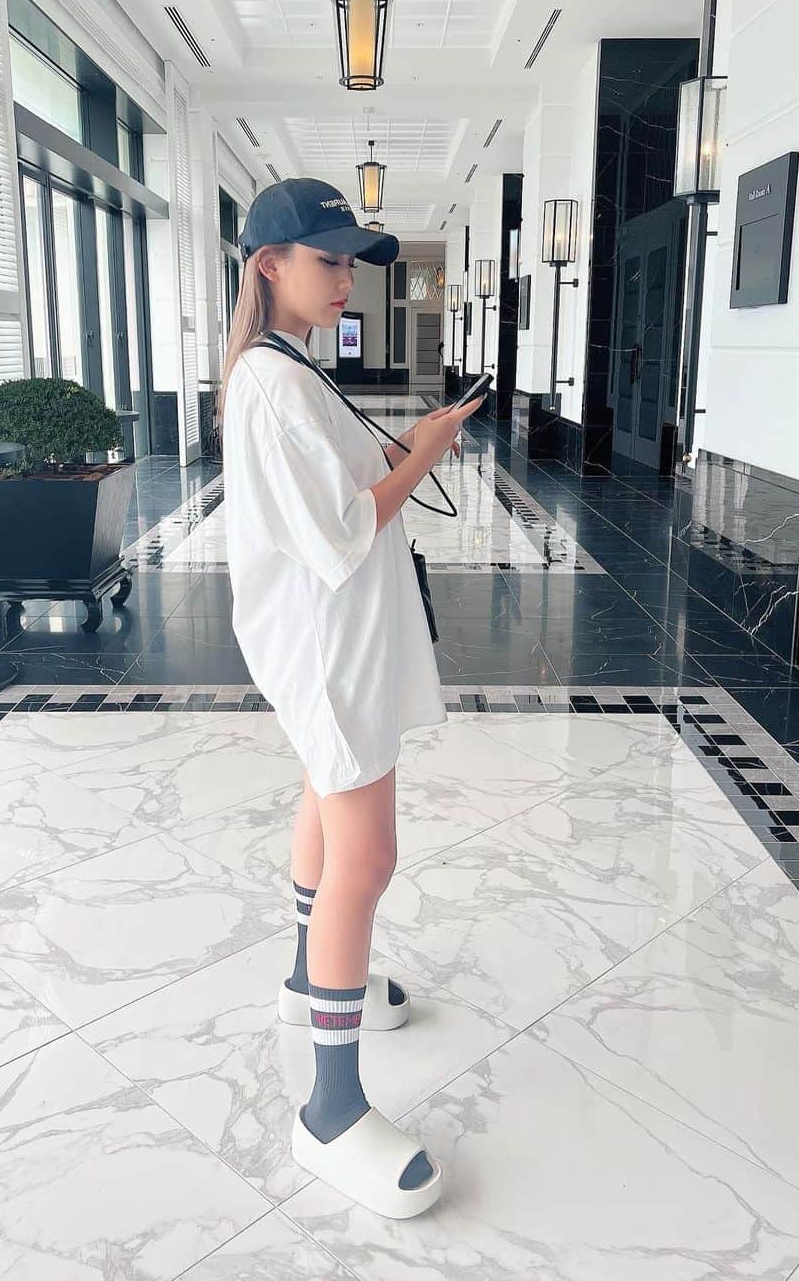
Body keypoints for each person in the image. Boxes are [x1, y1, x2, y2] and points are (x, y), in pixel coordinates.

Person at [219, 178, 483, 1220]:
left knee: (325, 807)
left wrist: (406, 445)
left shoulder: (287, 366)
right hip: (327, 649)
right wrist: (423, 454)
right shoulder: (273, 382)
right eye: (326, 260)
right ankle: (331, 1109)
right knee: (366, 859)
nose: (344, 279)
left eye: (349, 262)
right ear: (269, 265)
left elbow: (333, 497)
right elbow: (339, 533)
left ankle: (308, 981)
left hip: (331, 643)